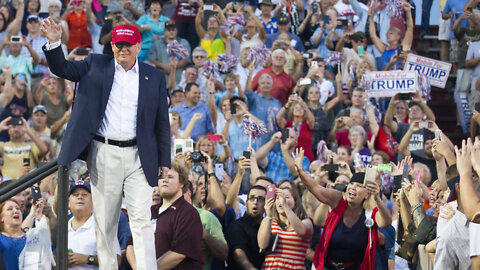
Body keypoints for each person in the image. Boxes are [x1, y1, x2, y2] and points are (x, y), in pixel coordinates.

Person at [41, 20, 171, 270]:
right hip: (104, 153)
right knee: (105, 223)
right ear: (112, 46)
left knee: (142, 220)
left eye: (128, 44)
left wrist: (164, 161)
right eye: (118, 44)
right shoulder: (95, 64)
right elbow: (61, 68)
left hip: (140, 155)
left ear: (138, 46)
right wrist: (55, 42)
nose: (123, 48)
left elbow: (162, 124)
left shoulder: (153, 76)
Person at [294, 147, 392, 269]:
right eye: (351, 184)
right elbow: (316, 188)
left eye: (358, 186)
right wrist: (301, 171)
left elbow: (386, 222)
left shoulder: (369, 213)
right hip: (327, 266)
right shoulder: (337, 199)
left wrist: (377, 199)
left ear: (367, 194)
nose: (352, 188)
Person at [153, 162, 203, 269]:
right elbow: (131, 243)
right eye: (161, 177)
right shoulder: (149, 211)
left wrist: (150, 268)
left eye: (170, 177)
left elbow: (179, 253)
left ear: (182, 183)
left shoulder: (189, 213)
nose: (164, 180)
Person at [68, 180, 121, 268]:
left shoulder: (102, 226)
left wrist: (88, 259)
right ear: (69, 202)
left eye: (84, 195)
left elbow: (117, 260)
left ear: (93, 201)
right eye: (75, 195)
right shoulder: (63, 227)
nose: (80, 197)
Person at [258, 186, 313, 269]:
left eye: (285, 197)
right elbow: (262, 245)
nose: (281, 200)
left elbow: (302, 231)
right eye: (278, 198)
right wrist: (269, 216)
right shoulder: (269, 221)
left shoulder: (305, 222)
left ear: (295, 201)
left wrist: (285, 205)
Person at [0, 198, 53, 269]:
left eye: (18, 208)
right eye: (10, 209)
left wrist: (38, 214)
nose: (16, 211)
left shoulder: (33, 236)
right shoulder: (1, 239)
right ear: (1, 218)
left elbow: (48, 255)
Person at [226, 185, 267, 269]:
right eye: (252, 198)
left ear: (266, 204)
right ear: (246, 203)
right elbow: (238, 253)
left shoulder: (269, 225)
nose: (255, 202)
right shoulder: (237, 226)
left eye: (260, 199)